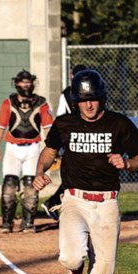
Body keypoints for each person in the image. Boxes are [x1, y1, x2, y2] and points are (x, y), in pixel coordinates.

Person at [32, 69, 138, 274]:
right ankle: (74, 270)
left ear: (102, 98)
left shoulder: (119, 124)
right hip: (74, 200)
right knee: (72, 257)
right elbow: (49, 152)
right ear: (75, 100)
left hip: (107, 202)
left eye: (94, 98)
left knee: (105, 269)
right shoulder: (64, 124)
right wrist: (39, 171)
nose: (89, 104)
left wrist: (127, 164)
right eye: (84, 99)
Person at [0, 70, 53, 233]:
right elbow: (0, 125)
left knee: (31, 186)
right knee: (9, 185)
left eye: (28, 82)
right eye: (22, 82)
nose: (26, 85)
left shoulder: (41, 103)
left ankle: (28, 223)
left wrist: (51, 149)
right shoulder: (9, 102)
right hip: (13, 148)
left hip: (33, 148)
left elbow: (48, 128)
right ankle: (7, 223)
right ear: (16, 83)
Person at [41, 64, 89, 221]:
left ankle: (58, 203)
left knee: (81, 175)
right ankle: (54, 202)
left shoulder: (89, 91)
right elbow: (61, 118)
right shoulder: (67, 94)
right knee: (75, 175)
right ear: (71, 76)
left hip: (87, 138)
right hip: (73, 139)